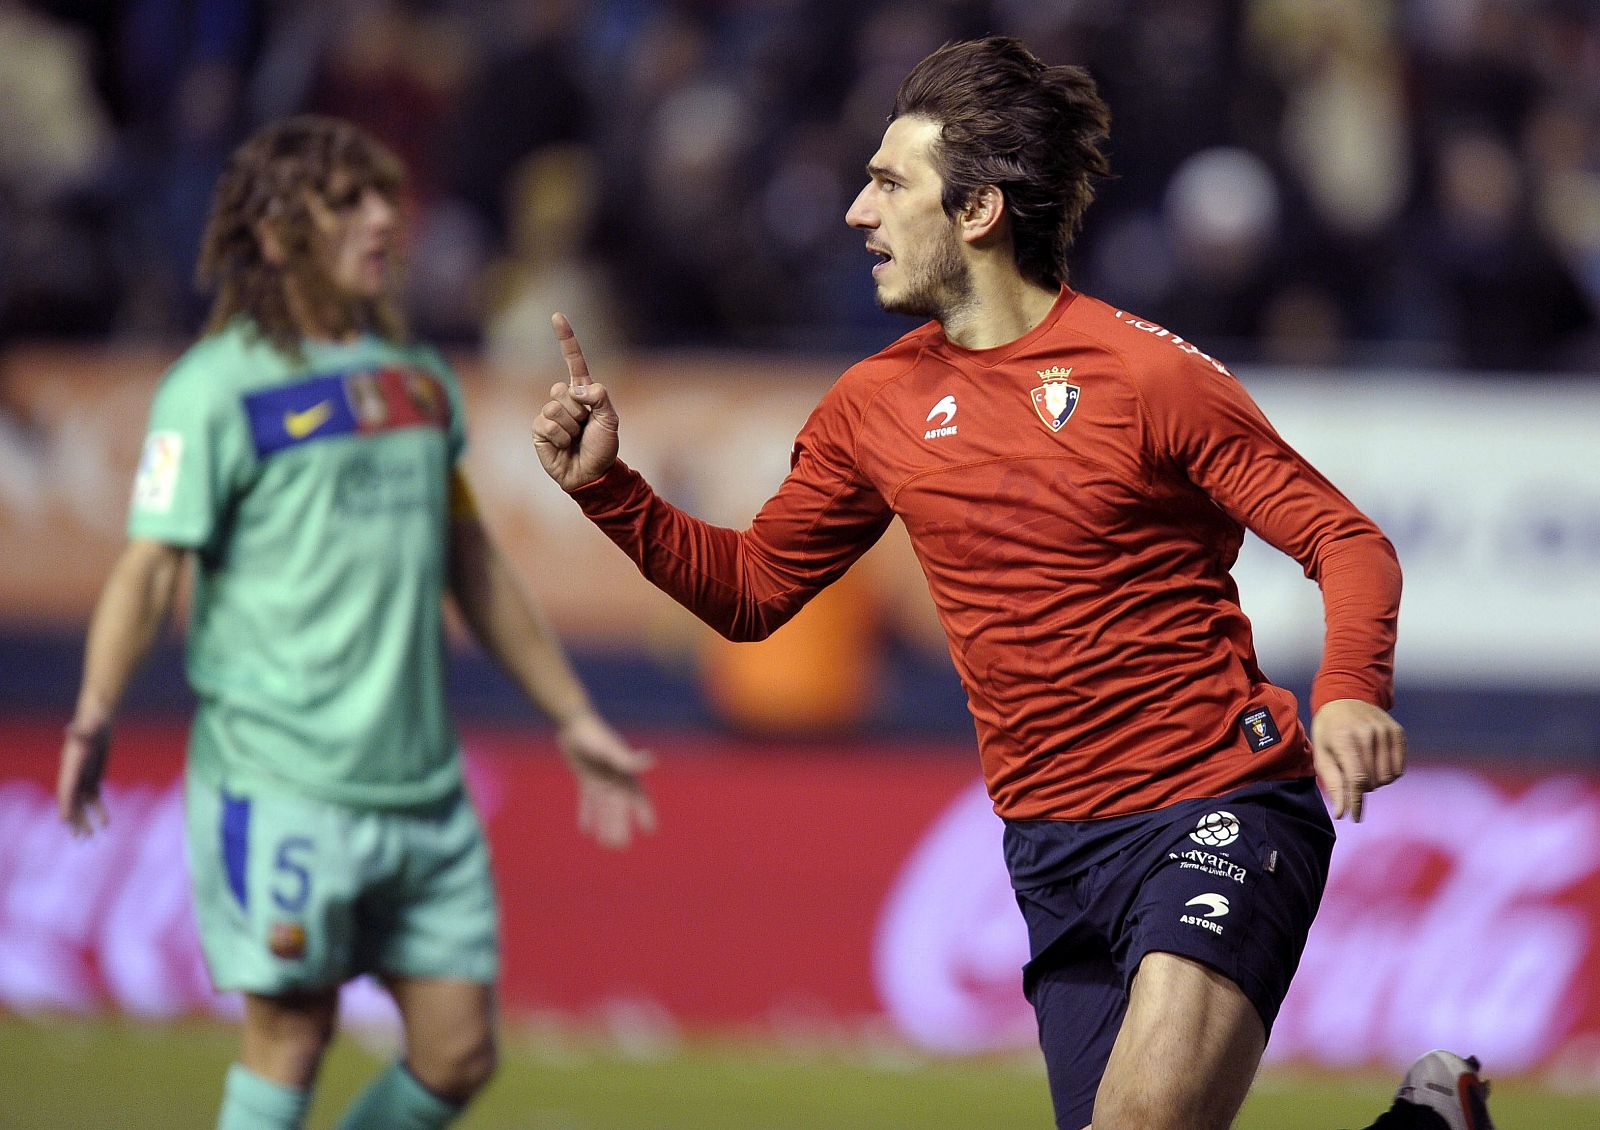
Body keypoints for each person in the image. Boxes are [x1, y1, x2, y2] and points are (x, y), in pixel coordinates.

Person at [531, 36, 1492, 1130]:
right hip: (1050, 850)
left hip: (1215, 798)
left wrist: (1353, 686)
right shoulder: (872, 405)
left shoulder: (1148, 377)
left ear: (978, 210)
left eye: (890, 183)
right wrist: (611, 491)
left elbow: (1346, 538)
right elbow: (751, 589)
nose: (857, 211)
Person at [57, 115, 655, 1130]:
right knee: (290, 1036)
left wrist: (572, 714)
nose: (387, 214)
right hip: (285, 783)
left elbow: (470, 560)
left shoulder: (413, 378)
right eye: (350, 200)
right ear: (281, 234)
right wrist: (94, 709)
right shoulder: (214, 389)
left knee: (459, 1050)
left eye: (384, 193)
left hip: (423, 792)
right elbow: (149, 564)